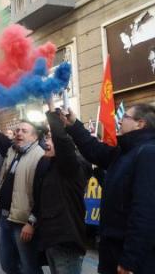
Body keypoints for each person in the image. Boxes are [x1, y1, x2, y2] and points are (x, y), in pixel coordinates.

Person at [62, 103, 155, 274]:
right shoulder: (124, 151)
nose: (119, 121)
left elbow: (145, 212)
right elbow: (94, 149)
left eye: (124, 117)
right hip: (111, 250)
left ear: (140, 123)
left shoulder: (148, 153)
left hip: (130, 257)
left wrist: (130, 260)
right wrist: (74, 125)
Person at [32, 101, 91, 274]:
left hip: (66, 242)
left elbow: (62, 141)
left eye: (50, 139)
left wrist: (51, 107)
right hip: (53, 240)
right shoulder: (51, 166)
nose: (46, 144)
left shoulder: (72, 167)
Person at [0, 117, 44, 274]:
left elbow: (43, 195)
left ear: (35, 136)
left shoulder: (40, 156)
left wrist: (32, 222)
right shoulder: (13, 150)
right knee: (7, 263)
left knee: (29, 266)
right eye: (17, 130)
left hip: (23, 222)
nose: (18, 133)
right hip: (5, 218)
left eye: (24, 131)